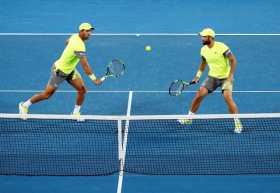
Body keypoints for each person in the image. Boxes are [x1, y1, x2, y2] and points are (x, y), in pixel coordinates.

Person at [19, 23, 102, 118]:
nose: (90, 33)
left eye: (90, 31)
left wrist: (70, 52)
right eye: (87, 31)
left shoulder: (74, 36)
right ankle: (24, 105)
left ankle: (75, 113)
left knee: (82, 90)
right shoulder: (79, 46)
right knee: (47, 94)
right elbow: (85, 65)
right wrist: (94, 79)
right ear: (81, 31)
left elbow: (66, 42)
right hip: (59, 71)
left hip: (70, 70)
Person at [178, 28, 242, 133]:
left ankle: (237, 123)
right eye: (201, 36)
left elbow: (233, 60)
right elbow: (203, 63)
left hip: (225, 77)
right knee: (199, 95)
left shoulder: (222, 47)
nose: (201, 38)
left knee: (227, 97)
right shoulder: (203, 50)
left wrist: (231, 75)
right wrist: (197, 76)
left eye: (203, 36)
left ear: (210, 37)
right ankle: (189, 118)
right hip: (212, 77)